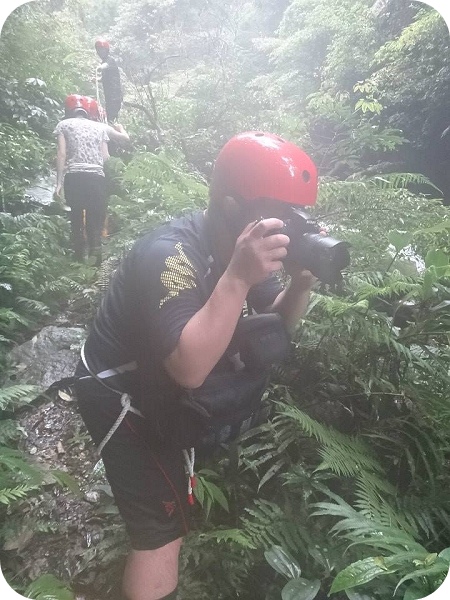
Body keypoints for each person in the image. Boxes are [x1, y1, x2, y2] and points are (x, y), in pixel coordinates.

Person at [73, 131, 319, 600]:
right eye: (278, 215)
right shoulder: (170, 255)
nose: (286, 229)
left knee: (170, 495)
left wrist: (301, 283)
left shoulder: (241, 246)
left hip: (157, 384)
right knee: (160, 534)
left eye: (295, 218)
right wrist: (239, 277)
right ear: (231, 206)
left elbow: (274, 326)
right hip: (119, 392)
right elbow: (188, 369)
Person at [54, 94, 129, 264]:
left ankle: (78, 260)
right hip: (96, 178)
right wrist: (120, 127)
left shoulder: (63, 125)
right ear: (88, 111)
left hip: (75, 177)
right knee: (95, 220)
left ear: (69, 110)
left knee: (76, 217)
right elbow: (109, 154)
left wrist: (58, 182)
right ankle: (96, 263)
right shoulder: (100, 127)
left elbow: (62, 154)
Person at [95, 38, 123, 123]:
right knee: (108, 118)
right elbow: (106, 78)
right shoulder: (104, 62)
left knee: (111, 118)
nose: (101, 52)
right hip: (109, 97)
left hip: (115, 97)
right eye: (99, 50)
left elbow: (106, 66)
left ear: (107, 50)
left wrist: (100, 67)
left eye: (103, 50)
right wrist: (97, 80)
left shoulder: (110, 61)